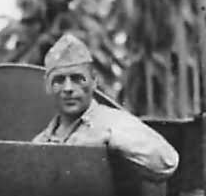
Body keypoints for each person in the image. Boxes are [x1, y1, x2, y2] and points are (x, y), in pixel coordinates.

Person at [33, 33, 179, 181]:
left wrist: (111, 138)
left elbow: (167, 161)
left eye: (78, 79)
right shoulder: (40, 142)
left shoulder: (115, 122)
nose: (68, 88)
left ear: (94, 81)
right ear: (47, 86)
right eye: (59, 80)